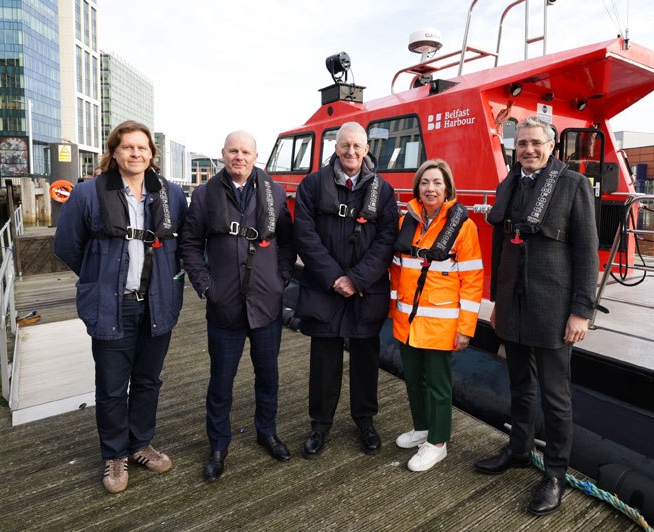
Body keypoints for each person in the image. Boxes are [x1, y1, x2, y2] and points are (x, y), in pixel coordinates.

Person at [54, 120, 187, 494]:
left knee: (148, 380)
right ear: (114, 152)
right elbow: (66, 245)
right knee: (112, 387)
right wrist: (99, 276)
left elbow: (183, 243)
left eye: (142, 148)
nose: (136, 153)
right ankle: (114, 455)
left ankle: (141, 443)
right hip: (112, 307)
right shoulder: (87, 195)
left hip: (157, 305)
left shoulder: (171, 195)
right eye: (128, 147)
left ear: (151, 154)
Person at [475, 116, 598, 515]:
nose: (528, 149)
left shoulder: (573, 185)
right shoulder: (509, 184)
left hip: (552, 306)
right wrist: (495, 302)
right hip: (513, 303)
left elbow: (586, 252)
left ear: (551, 146)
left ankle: (556, 473)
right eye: (522, 143)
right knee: (520, 385)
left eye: (536, 143)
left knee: (556, 396)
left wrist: (581, 311)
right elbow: (499, 248)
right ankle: (518, 449)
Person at [180, 131, 295, 482]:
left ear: (256, 155)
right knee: (221, 381)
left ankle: (267, 431)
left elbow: (287, 241)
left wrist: (281, 278)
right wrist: (205, 285)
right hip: (224, 307)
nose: (239, 157)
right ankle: (218, 444)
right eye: (233, 151)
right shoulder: (203, 195)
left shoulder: (274, 192)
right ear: (223, 154)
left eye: (246, 152)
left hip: (266, 305)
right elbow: (189, 245)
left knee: (269, 376)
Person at [293, 121, 399, 458]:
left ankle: (365, 420)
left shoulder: (383, 191)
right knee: (324, 358)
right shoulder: (312, 185)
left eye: (356, 146)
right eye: (344, 146)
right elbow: (304, 235)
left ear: (366, 149)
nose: (350, 152)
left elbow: (386, 240)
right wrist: (333, 277)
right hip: (325, 288)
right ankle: (320, 424)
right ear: (335, 149)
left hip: (366, 290)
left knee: (366, 357)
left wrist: (357, 278)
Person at [389, 159, 483, 471]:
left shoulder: (464, 228)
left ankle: (438, 442)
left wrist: (465, 328)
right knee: (413, 380)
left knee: (439, 386)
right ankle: (422, 429)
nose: (431, 188)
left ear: (447, 189)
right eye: (425, 182)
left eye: (437, 183)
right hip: (408, 321)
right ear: (418, 187)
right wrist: (394, 310)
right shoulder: (409, 221)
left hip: (441, 323)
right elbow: (397, 271)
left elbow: (472, 280)